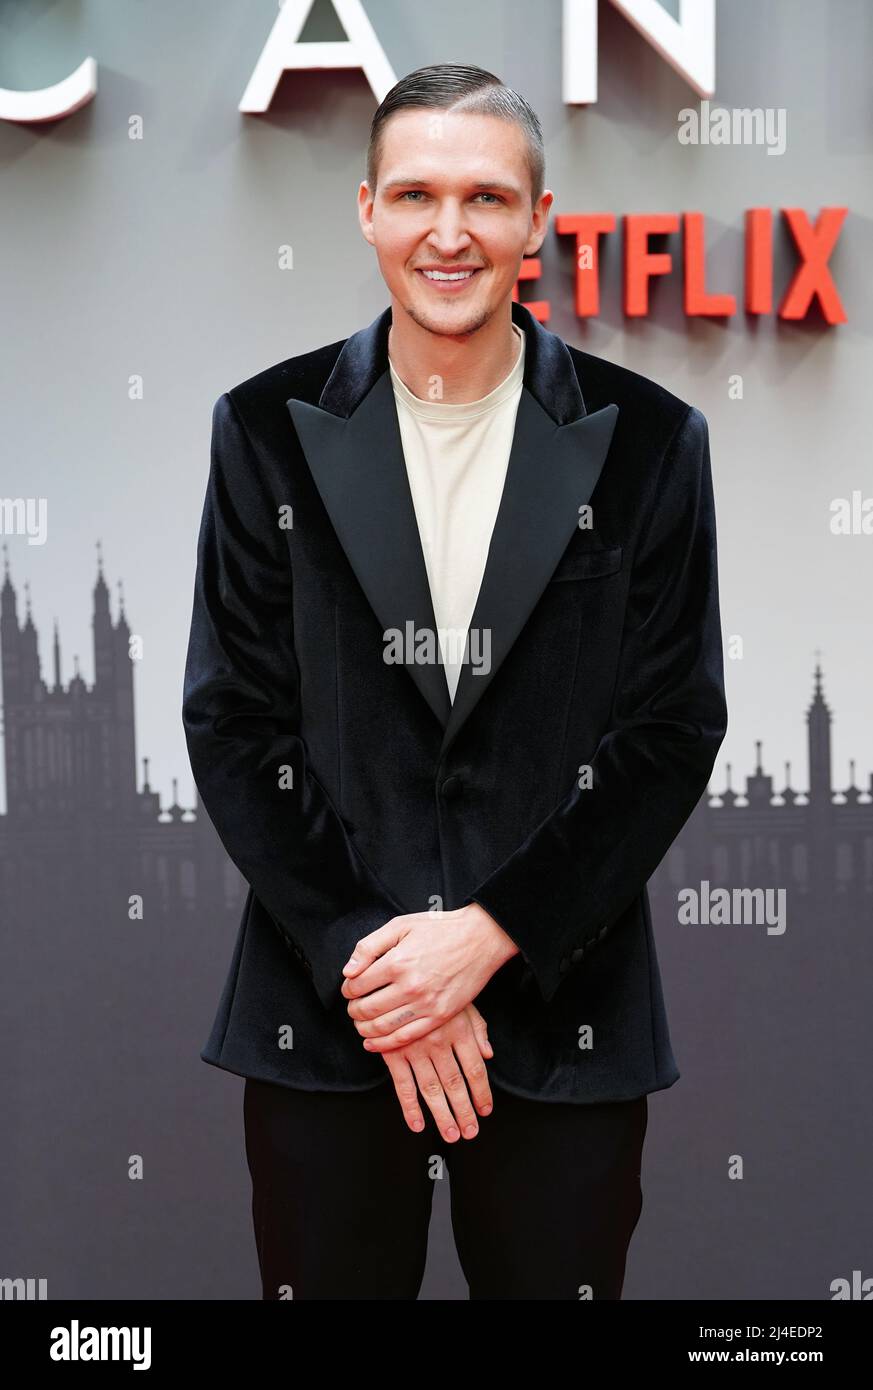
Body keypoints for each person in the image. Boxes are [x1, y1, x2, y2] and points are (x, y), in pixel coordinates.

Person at [182, 62, 728, 1300]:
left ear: (538, 223)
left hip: (560, 1029)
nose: (449, 231)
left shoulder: (650, 443)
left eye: (486, 198)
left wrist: (487, 936)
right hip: (329, 1028)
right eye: (417, 193)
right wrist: (387, 966)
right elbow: (234, 716)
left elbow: (670, 728)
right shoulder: (262, 427)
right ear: (367, 209)